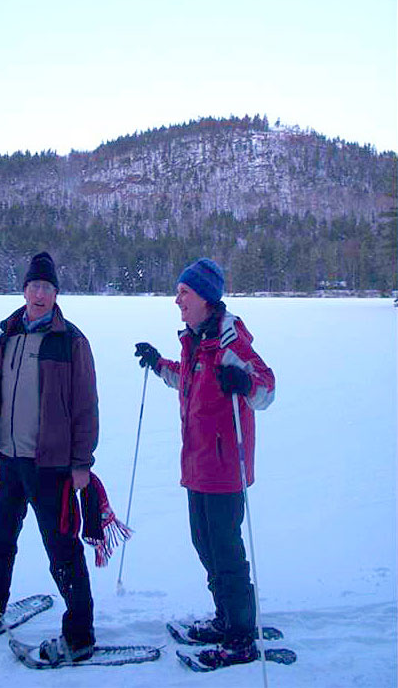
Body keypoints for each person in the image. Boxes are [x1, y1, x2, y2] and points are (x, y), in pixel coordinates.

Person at [0, 251, 99, 664]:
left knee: (62, 549)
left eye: (47, 288)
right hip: (7, 459)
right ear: (23, 290)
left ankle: (80, 634)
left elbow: (86, 406)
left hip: (51, 465)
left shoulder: (70, 341)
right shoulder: (6, 337)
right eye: (33, 286)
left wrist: (81, 463)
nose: (39, 294)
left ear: (56, 294)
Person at [135, 258, 275, 666]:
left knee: (226, 553)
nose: (176, 300)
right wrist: (159, 363)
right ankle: (225, 617)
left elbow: (266, 388)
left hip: (224, 468)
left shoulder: (230, 341)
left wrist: (245, 381)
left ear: (206, 298)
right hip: (196, 464)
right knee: (205, 545)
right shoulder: (197, 340)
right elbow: (189, 378)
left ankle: (240, 636)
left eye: (184, 293)